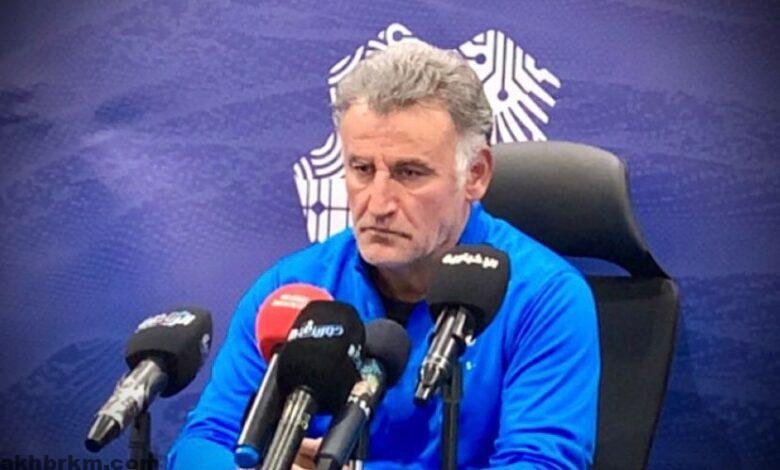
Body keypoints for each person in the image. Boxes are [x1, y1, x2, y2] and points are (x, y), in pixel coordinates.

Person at [168, 40, 600, 469]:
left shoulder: (545, 297)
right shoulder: (293, 292)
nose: (377, 203)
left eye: (409, 173)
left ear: (475, 174)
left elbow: (541, 464)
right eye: (361, 169)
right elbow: (203, 443)